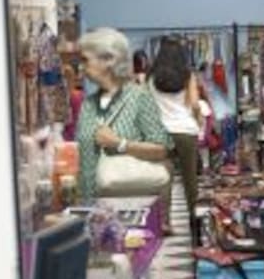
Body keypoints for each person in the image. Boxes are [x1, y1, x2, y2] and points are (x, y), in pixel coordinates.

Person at [75, 28, 173, 231]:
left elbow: (161, 149)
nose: (81, 67)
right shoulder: (88, 104)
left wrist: (119, 144)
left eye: (85, 60)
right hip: (91, 210)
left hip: (129, 211)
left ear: (108, 60)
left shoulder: (139, 97)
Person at [150, 36, 201, 224]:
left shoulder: (151, 77)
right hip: (186, 131)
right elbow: (195, 104)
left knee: (163, 179)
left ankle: (164, 222)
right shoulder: (187, 75)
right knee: (190, 179)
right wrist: (199, 121)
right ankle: (194, 220)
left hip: (161, 132)